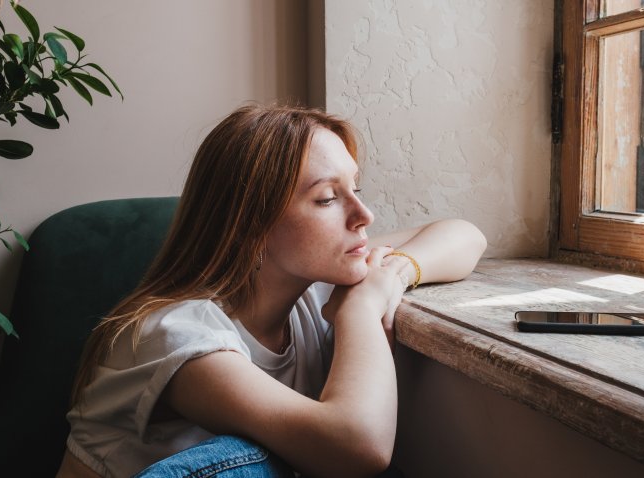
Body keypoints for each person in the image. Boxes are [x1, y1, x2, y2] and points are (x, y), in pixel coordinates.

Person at [55, 104, 487, 478]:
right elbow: (359, 447)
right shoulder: (178, 336)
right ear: (251, 225)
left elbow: (464, 236)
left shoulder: (314, 279)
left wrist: (394, 274)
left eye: (355, 187)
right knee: (244, 462)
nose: (364, 215)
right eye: (326, 199)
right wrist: (361, 309)